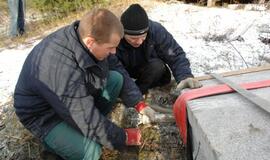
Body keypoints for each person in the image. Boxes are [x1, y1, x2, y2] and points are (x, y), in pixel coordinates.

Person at [13, 9, 155, 160]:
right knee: (91, 151)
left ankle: (90, 131)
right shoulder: (59, 66)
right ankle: (53, 145)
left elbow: (117, 67)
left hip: (73, 100)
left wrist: (138, 103)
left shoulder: (88, 39)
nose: (114, 52)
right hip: (46, 115)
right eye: (110, 48)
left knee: (116, 79)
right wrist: (123, 137)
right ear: (90, 42)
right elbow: (82, 116)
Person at [114, 4, 202, 95]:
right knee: (115, 76)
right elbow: (112, 65)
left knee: (158, 66)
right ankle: (129, 94)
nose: (139, 42)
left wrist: (185, 76)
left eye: (143, 37)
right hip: (123, 69)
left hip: (148, 69)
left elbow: (175, 54)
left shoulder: (156, 31)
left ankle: (139, 92)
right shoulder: (114, 34)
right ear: (122, 33)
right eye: (133, 39)